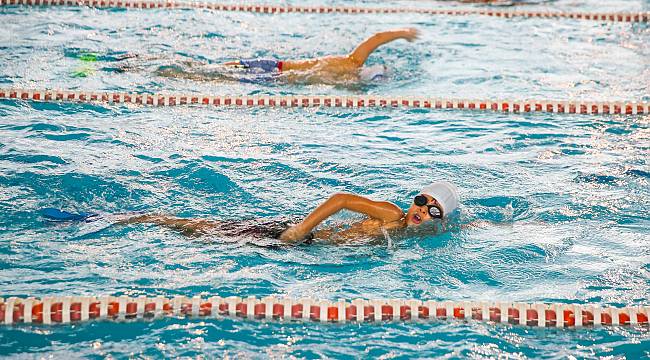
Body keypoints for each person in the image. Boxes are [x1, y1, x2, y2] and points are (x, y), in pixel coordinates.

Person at [42, 181, 459, 244]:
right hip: (291, 238)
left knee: (200, 239)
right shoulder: (390, 215)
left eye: (433, 210)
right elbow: (342, 199)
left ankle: (130, 219)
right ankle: (116, 219)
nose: (422, 209)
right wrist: (297, 232)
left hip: (307, 248)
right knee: (195, 233)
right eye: (421, 200)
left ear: (441, 222)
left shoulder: (410, 234)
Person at [223, 28, 418, 84]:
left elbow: (377, 38)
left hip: (277, 65)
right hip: (277, 77)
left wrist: (404, 33)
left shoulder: (351, 60)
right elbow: (377, 38)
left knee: (217, 71)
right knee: (219, 78)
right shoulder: (349, 77)